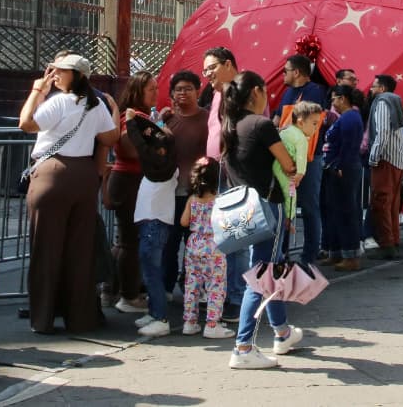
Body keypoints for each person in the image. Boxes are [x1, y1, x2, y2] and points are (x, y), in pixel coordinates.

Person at [19, 53, 119, 334]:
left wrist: (37, 89)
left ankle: (43, 318)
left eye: (61, 71)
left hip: (53, 173)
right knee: (80, 251)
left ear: (76, 75)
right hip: (84, 176)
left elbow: (26, 123)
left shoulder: (59, 101)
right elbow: (110, 138)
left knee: (46, 249)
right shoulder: (95, 104)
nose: (55, 75)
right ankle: (80, 317)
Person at [221, 71, 303, 370]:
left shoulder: (231, 125)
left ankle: (281, 332)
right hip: (267, 206)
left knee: (270, 268)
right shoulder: (262, 124)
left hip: (243, 208)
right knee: (263, 274)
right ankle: (243, 346)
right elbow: (288, 164)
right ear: (256, 91)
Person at [107, 71, 157, 314]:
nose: (156, 93)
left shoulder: (137, 115)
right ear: (138, 92)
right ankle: (128, 295)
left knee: (124, 239)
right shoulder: (133, 117)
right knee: (130, 241)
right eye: (151, 89)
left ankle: (111, 289)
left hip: (127, 180)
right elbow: (128, 147)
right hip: (129, 180)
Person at [202, 47, 244, 320]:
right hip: (215, 171)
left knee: (236, 235)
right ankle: (221, 291)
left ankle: (238, 297)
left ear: (228, 64)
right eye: (205, 70)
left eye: (212, 68)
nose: (208, 75)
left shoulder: (244, 90)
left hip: (234, 172)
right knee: (220, 236)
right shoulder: (216, 94)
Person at [129, 104, 177, 338]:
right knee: (149, 269)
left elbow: (141, 146)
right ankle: (154, 312)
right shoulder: (163, 163)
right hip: (152, 221)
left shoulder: (161, 166)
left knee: (151, 270)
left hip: (154, 222)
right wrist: (160, 121)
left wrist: (131, 123)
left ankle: (160, 317)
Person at [275, 55, 327, 264]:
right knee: (286, 206)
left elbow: (313, 124)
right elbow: (278, 120)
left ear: (296, 72)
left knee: (308, 206)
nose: (283, 74)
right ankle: (283, 252)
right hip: (286, 158)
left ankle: (309, 255)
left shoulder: (315, 92)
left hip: (309, 159)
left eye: (285, 70)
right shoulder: (287, 93)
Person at [161, 70, 209, 296]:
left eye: (188, 88)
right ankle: (166, 288)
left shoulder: (208, 119)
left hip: (197, 193)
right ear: (172, 93)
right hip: (170, 192)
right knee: (169, 244)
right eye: (179, 89)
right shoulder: (167, 119)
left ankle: (193, 288)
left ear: (198, 91)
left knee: (195, 245)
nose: (183, 93)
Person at [179, 157, 233, 339]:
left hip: (194, 244)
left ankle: (189, 322)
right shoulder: (219, 200)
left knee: (192, 285)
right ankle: (212, 324)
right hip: (214, 245)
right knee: (215, 285)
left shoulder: (192, 199)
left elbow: (184, 221)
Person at [323, 85, 365, 271]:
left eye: (334, 99)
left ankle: (350, 254)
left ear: (343, 98)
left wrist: (339, 165)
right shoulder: (347, 117)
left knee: (346, 212)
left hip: (344, 170)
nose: (333, 103)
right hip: (340, 168)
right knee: (337, 211)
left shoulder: (350, 118)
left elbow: (348, 146)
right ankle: (338, 251)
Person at [366, 74, 403, 259]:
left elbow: (382, 132)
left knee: (381, 203)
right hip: (398, 158)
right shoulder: (396, 101)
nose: (371, 89)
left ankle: (387, 244)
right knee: (392, 204)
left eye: (374, 86)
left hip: (385, 159)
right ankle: (393, 240)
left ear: (382, 88)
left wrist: (373, 157)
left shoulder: (382, 103)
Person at [275, 101, 322, 221]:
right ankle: (288, 219)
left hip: (276, 165)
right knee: (290, 194)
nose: (316, 128)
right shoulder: (301, 139)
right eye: (314, 124)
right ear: (301, 122)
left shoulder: (286, 130)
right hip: (286, 171)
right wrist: (300, 174)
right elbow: (301, 158)